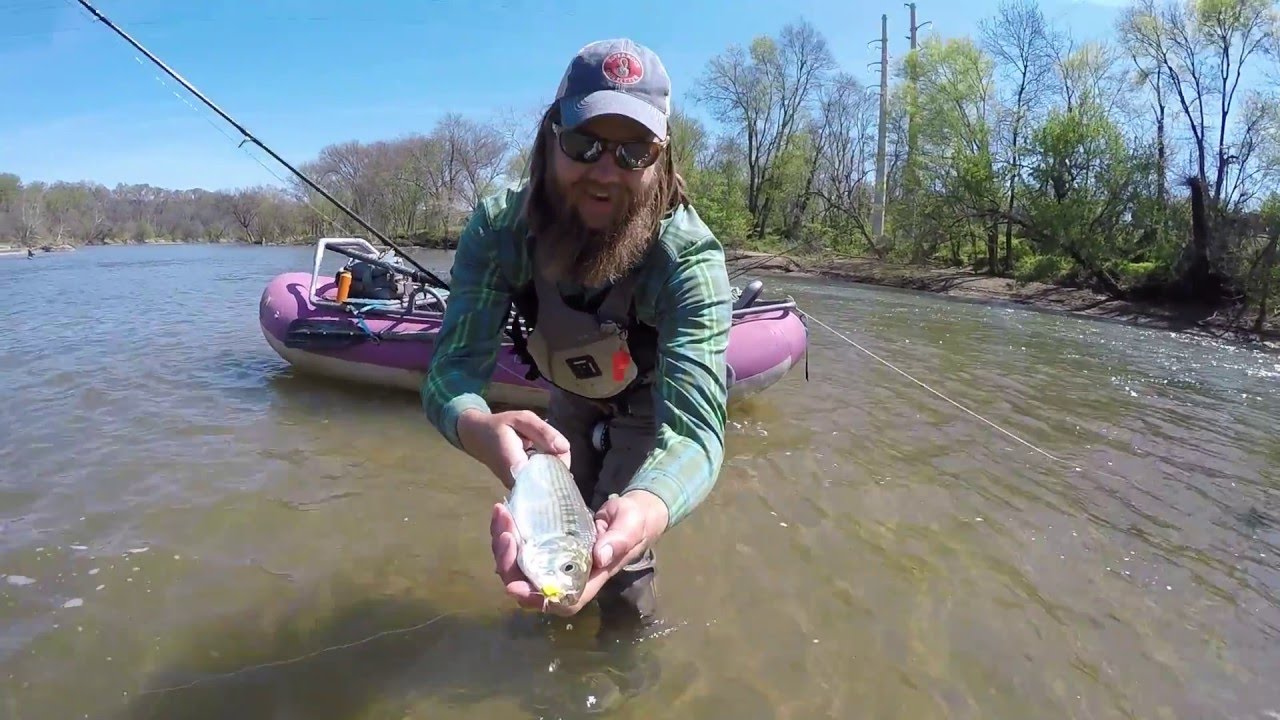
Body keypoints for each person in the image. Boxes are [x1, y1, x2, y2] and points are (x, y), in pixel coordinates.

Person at [420, 38, 732, 636]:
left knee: (621, 560)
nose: (606, 172)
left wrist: (644, 511)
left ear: (661, 159)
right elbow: (450, 373)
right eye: (584, 144)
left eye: (634, 151)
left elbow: (695, 434)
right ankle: (548, 658)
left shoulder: (689, 261)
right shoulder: (500, 229)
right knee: (553, 539)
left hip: (649, 403)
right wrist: (477, 427)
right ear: (548, 137)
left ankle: (623, 666)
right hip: (569, 393)